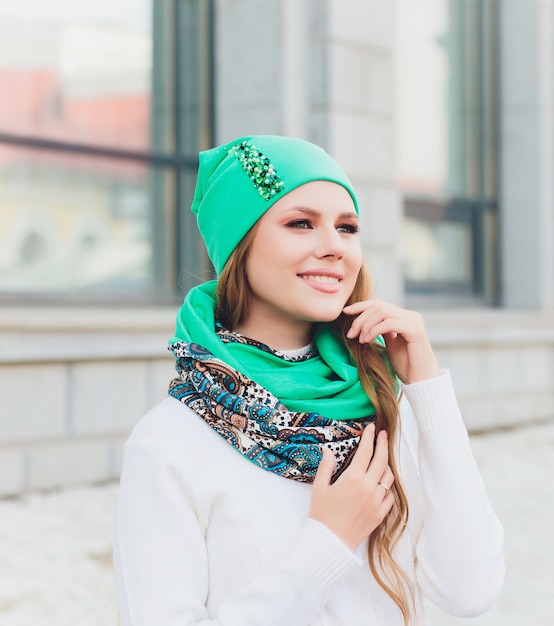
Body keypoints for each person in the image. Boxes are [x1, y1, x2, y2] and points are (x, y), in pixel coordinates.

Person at [113, 135, 505, 626]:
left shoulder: (378, 401)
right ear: (239, 242)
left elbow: (471, 592)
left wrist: (427, 388)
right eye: (300, 223)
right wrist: (327, 545)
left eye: (347, 227)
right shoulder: (171, 441)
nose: (334, 247)